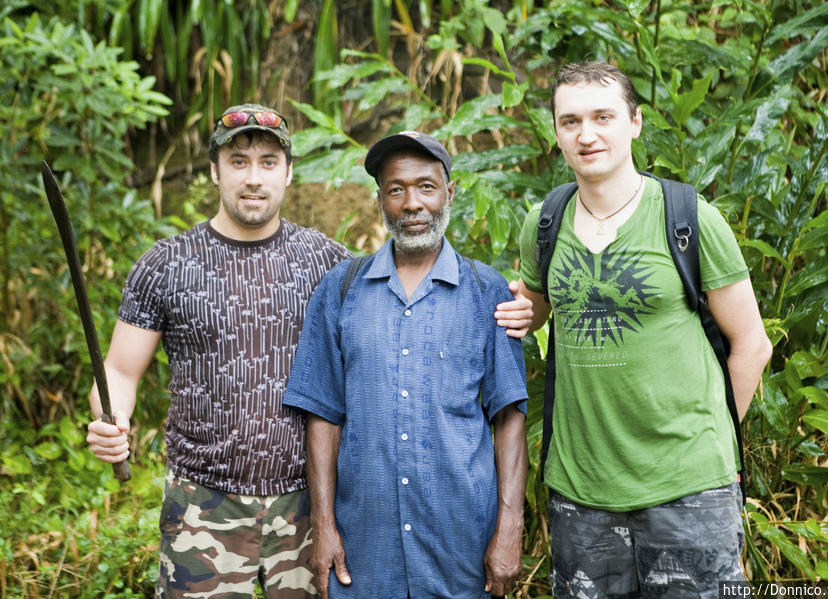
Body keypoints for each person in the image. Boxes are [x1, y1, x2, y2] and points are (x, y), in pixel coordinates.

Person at [84, 105, 535, 598]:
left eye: (268, 162)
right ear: (213, 171)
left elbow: (414, 307)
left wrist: (525, 310)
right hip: (203, 504)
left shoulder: (327, 262)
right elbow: (118, 373)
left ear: (289, 172)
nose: (253, 178)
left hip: (303, 509)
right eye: (238, 162)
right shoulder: (166, 264)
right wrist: (112, 422)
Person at [516, 62, 773, 598]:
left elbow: (752, 343)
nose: (586, 135)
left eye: (602, 117)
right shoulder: (545, 222)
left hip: (688, 488)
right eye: (570, 122)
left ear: (634, 122)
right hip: (580, 491)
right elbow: (540, 307)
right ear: (556, 133)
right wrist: (526, 314)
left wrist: (711, 441)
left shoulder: (689, 218)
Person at [283, 131, 529, 599]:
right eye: (396, 189)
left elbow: (509, 416)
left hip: (462, 548)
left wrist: (510, 526)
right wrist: (324, 525)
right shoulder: (340, 289)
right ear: (381, 200)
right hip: (364, 550)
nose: (412, 203)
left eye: (426, 187)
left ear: (449, 193)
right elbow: (322, 416)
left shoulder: (487, 290)